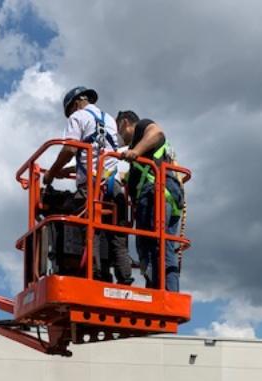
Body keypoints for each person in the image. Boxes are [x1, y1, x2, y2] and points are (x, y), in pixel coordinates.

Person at [42, 87, 133, 284]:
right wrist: (67, 171)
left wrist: (51, 173)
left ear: (75, 104)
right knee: (117, 236)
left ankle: (96, 277)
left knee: (88, 230)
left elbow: (70, 149)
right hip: (114, 185)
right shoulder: (108, 119)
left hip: (91, 187)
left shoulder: (78, 117)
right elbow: (97, 153)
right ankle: (125, 280)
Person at [116, 110, 184, 291]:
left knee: (153, 246)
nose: (120, 136)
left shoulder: (142, 127)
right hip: (167, 194)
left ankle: (160, 293)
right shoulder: (149, 153)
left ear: (124, 123)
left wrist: (134, 151)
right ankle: (166, 292)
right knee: (163, 247)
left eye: (119, 130)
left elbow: (157, 133)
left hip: (156, 193)